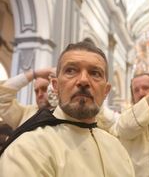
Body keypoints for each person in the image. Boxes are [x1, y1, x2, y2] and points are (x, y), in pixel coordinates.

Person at [0, 41, 135, 177]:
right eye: (71, 71)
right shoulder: (27, 149)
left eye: (95, 73)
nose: (83, 80)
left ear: (106, 91)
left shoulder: (117, 148)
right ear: (55, 86)